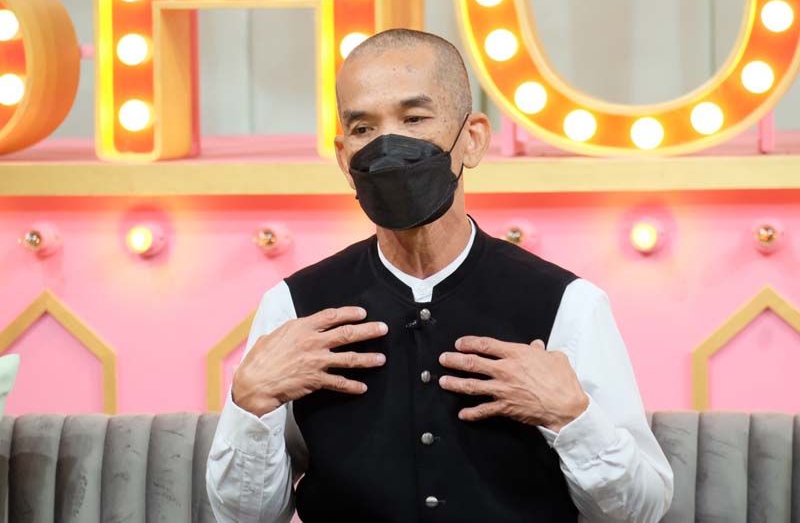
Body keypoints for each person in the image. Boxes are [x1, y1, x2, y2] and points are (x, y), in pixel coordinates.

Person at [206, 28, 673, 522]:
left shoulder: (568, 305)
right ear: (344, 158)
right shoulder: (291, 306)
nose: (387, 146)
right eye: (363, 128)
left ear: (471, 139)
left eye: (414, 119)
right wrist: (251, 403)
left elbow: (639, 512)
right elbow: (246, 518)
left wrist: (570, 417)